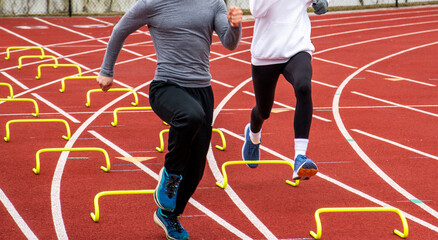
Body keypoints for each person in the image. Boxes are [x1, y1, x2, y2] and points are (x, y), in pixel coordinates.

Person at [97, 0, 243, 239]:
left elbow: (229, 43)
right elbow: (119, 30)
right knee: (190, 115)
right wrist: (106, 70)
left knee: (196, 170)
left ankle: (168, 215)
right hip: (167, 86)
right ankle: (170, 174)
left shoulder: (213, 2)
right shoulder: (152, 3)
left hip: (202, 91)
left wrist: (234, 26)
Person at [242, 0, 328, 180]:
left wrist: (322, 3)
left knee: (303, 86)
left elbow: (320, 4)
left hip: (297, 47)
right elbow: (256, 10)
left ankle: (300, 157)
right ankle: (253, 135)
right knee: (263, 110)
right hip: (266, 54)